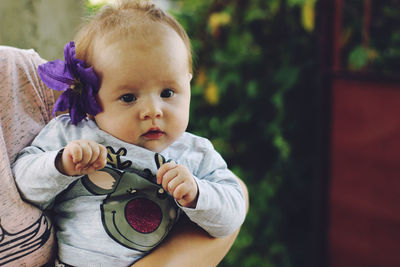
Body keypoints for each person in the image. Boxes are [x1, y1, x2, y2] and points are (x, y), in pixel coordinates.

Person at [12, 1, 247, 266]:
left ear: (188, 83)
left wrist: (197, 194)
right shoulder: (74, 135)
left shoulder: (194, 153)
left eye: (167, 93)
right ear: (90, 99)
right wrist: (60, 164)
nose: (152, 110)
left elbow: (233, 213)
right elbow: (22, 184)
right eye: (128, 97)